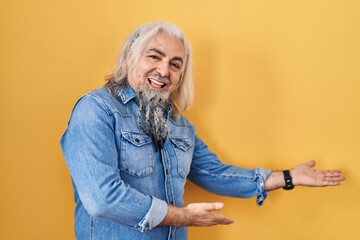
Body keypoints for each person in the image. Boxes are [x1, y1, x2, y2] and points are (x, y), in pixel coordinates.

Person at [60, 22, 345, 240]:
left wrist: (287, 177)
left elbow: (214, 173)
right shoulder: (95, 109)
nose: (163, 70)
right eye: (154, 57)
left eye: (175, 64)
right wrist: (182, 217)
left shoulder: (179, 125)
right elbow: (102, 199)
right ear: (130, 57)